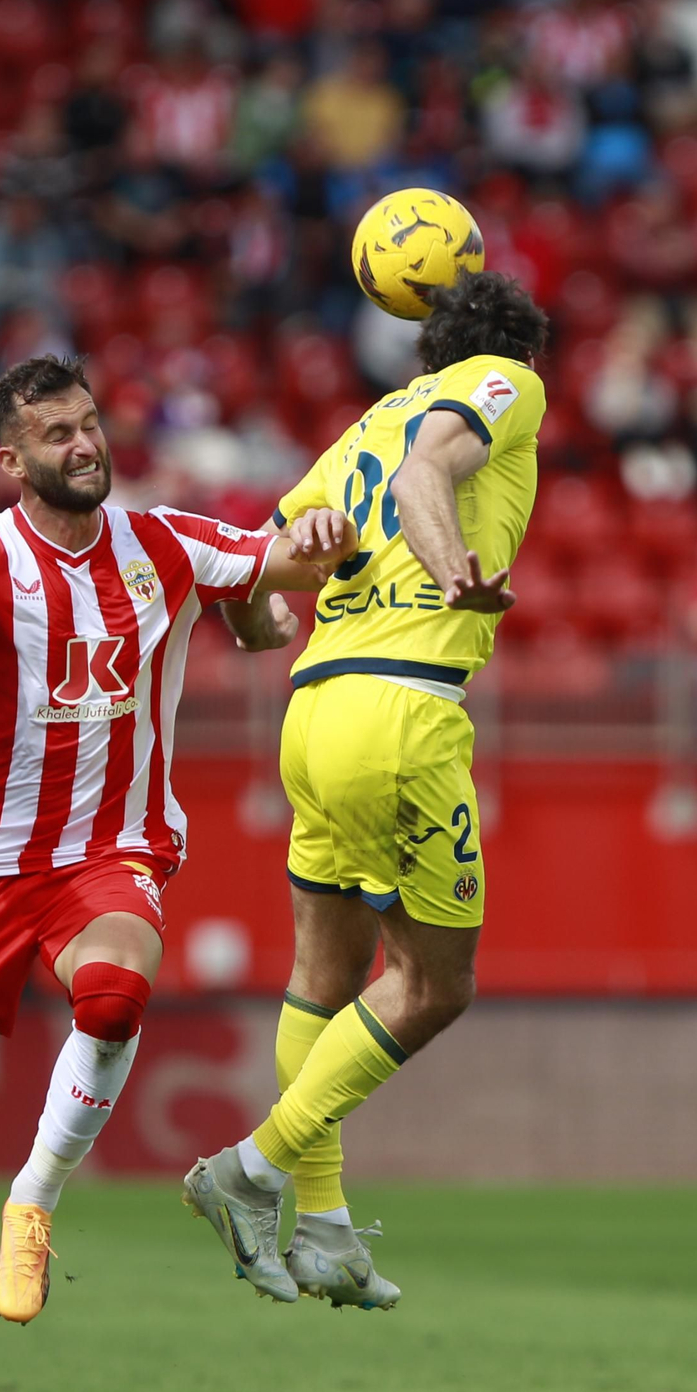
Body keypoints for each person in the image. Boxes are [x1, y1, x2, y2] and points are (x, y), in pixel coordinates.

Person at [0, 354, 354, 1392]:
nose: (84, 445)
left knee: (114, 997)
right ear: (13, 460)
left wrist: (322, 536)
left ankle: (32, 1201)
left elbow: (280, 565)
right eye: (57, 435)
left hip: (111, 851)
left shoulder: (165, 542)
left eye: (89, 424)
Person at [182, 270, 549, 1309]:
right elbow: (428, 470)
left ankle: (327, 1230)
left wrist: (268, 622)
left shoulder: (352, 437)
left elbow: (251, 579)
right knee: (432, 983)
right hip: (401, 712)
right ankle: (249, 1171)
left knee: (325, 970)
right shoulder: (504, 383)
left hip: (311, 713)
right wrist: (449, 566)